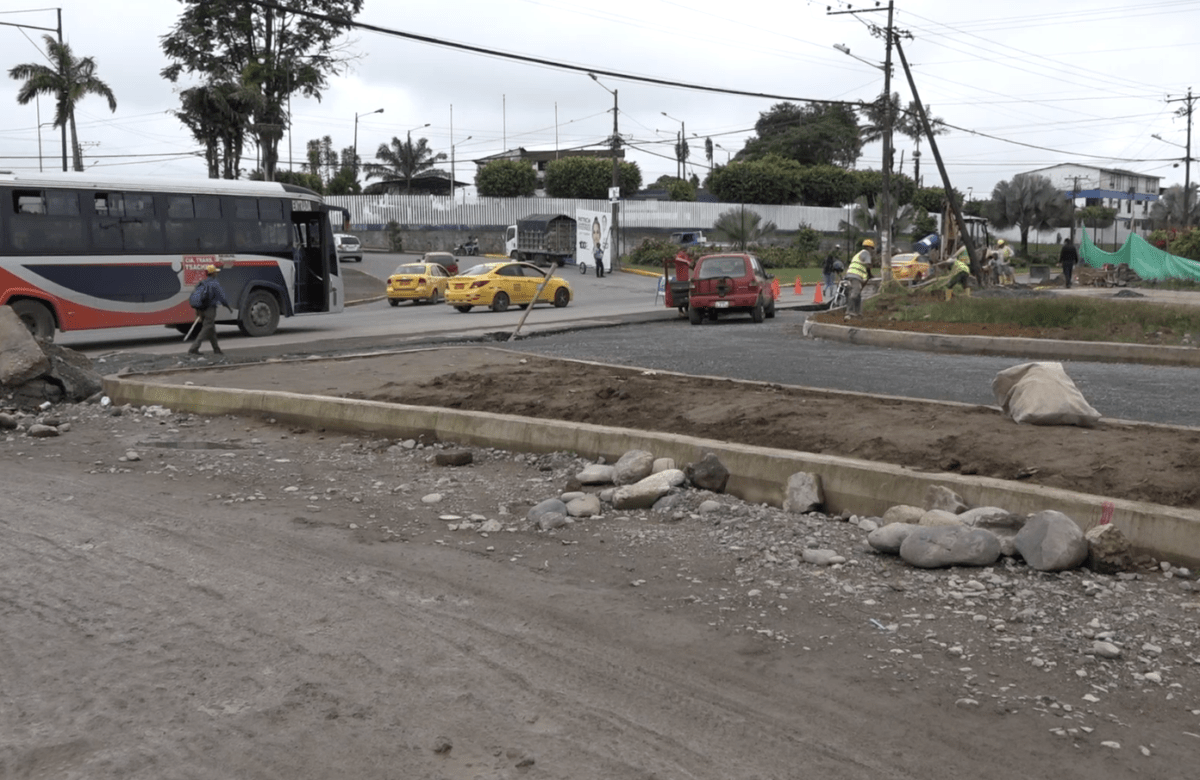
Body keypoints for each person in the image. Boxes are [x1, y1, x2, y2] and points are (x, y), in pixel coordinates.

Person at [187, 264, 233, 357]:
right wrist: (227, 306)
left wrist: (198, 310)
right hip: (210, 309)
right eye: (215, 272)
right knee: (206, 328)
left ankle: (216, 349)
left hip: (201, 309)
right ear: (212, 274)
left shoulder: (202, 283)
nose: (216, 273)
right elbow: (221, 297)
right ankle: (194, 348)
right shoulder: (214, 283)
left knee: (211, 329)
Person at [843, 239, 873, 320]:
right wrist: (870, 274)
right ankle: (849, 313)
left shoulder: (858, 254)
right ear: (869, 247)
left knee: (858, 295)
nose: (872, 251)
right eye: (872, 248)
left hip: (850, 274)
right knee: (855, 294)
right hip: (855, 276)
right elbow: (868, 265)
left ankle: (858, 313)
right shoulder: (866, 253)